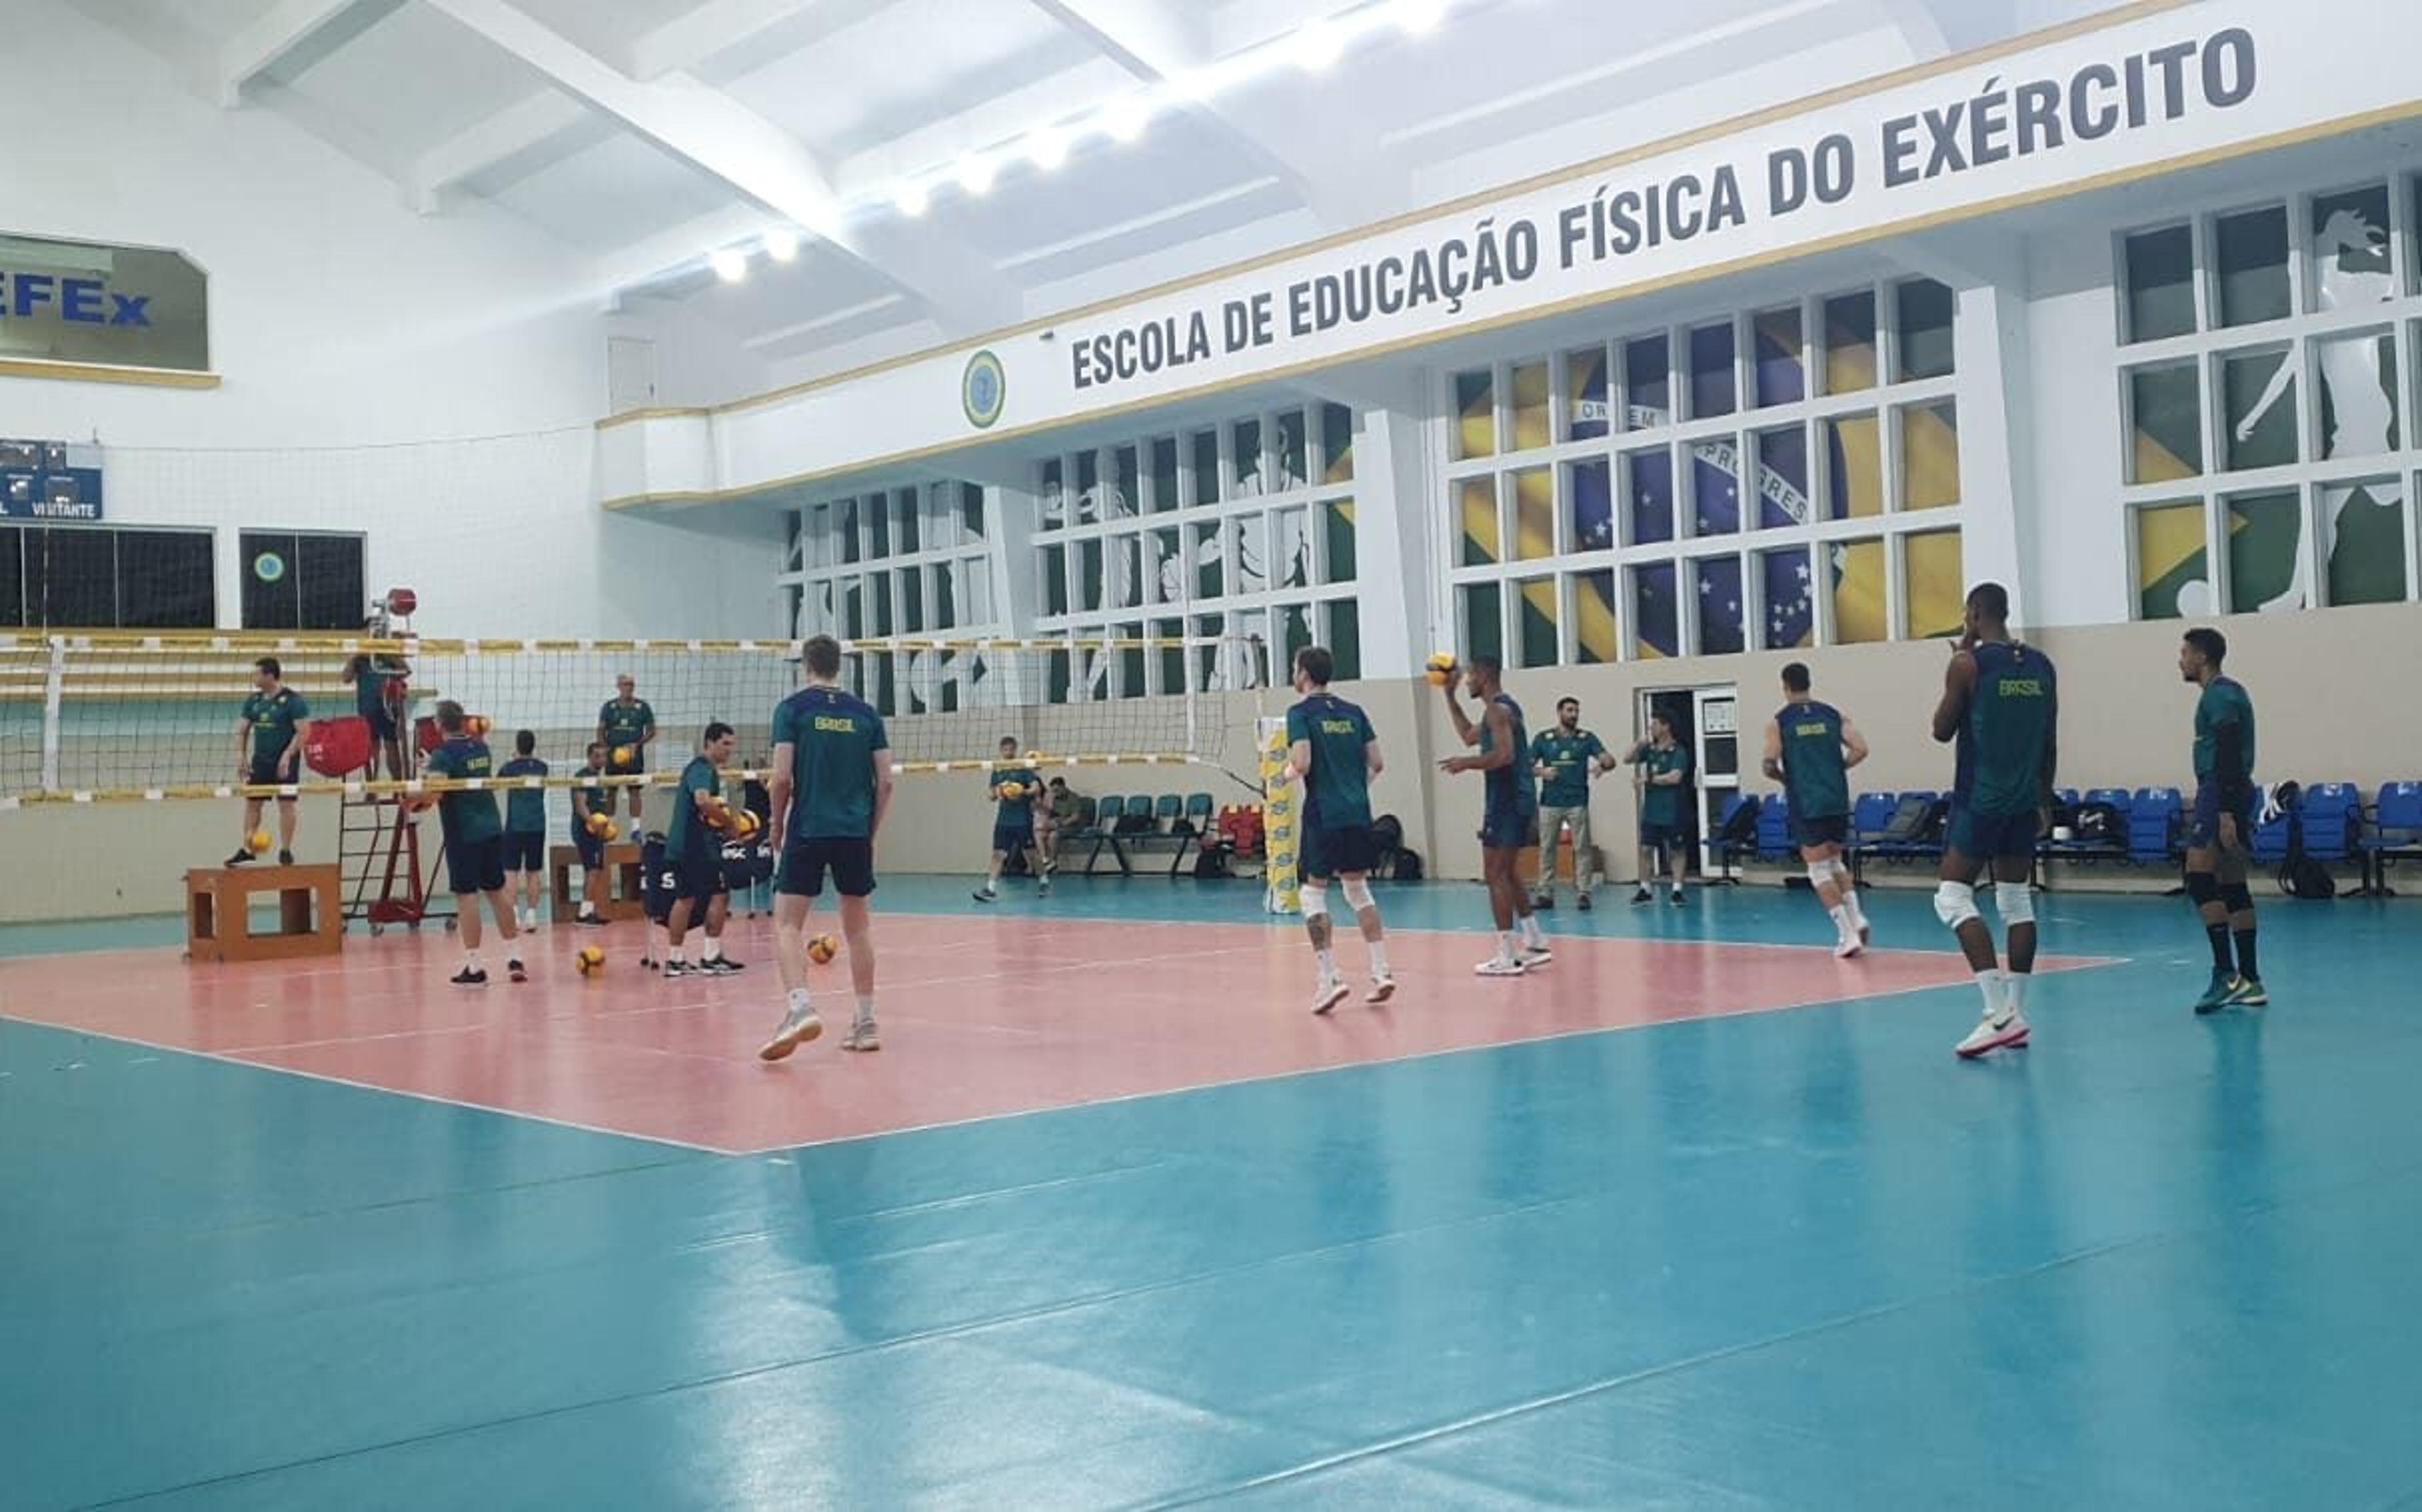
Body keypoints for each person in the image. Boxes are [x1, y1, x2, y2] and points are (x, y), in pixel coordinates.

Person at [1931, 582, 2058, 1059]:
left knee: (1952, 897)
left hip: (1979, 800)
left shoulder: (1968, 664)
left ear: (1973, 612)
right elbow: (2050, 739)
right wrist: (2045, 799)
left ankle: (1997, 1011)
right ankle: (2017, 1017)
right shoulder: (2042, 665)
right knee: (2015, 901)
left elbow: (1941, 730)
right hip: (2026, 800)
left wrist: (1958, 658)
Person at [761, 634, 894, 1059]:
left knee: (787, 925)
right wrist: (869, 833)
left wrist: (776, 825)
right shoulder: (866, 714)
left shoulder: (793, 710)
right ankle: (867, 1021)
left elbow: (781, 777)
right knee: (858, 929)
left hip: (809, 827)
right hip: (854, 831)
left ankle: (800, 1008)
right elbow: (887, 782)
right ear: (841, 666)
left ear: (806, 665)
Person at [1286, 644, 1395, 1013]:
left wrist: (1283, 775)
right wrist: (1353, 789)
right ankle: (1381, 972)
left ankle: (1329, 978)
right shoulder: (1354, 712)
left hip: (1323, 814)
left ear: (1303, 673)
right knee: (1357, 889)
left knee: (1312, 894)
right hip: (1358, 814)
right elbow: (1378, 763)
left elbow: (1301, 762)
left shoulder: (1300, 713)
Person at [1438, 654, 1550, 975]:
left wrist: (1465, 764)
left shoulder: (1497, 711)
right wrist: (1449, 695)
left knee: (1495, 874)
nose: (1468, 680)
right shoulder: (1504, 708)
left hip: (1508, 800)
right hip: (1516, 799)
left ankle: (1506, 955)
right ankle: (1534, 938)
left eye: (1471, 675)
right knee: (1507, 870)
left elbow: (1504, 756)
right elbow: (1469, 736)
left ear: (1484, 675)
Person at [2180, 627, 2266, 1013]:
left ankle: (2225, 974)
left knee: (2199, 878)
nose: (2180, 661)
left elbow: (2228, 748)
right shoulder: (2229, 693)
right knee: (2233, 885)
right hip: (2234, 789)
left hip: (2221, 791)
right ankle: (2251, 980)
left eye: (2184, 653)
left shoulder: (2221, 696)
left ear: (2201, 658)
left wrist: (2226, 811)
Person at [1763, 662, 1872, 957]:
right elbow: (1861, 749)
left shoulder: (1780, 722)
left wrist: (1784, 778)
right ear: (1809, 683)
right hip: (1836, 797)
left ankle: (1847, 934)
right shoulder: (1833, 715)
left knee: (1818, 870)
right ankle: (1857, 916)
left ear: (1785, 686)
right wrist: (1837, 769)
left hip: (1807, 800)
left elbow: (1769, 763)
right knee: (1836, 863)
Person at [419, 701, 524, 986]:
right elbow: (461, 771)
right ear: (463, 722)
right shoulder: (481, 747)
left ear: (439, 725)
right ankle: (515, 957)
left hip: (464, 833)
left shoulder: (443, 755)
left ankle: (475, 968)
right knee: (497, 891)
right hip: (491, 827)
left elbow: (434, 795)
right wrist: (434, 768)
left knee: (467, 897)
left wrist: (422, 783)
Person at [661, 723, 743, 977]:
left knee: (687, 898)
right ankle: (710, 956)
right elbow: (702, 800)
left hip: (687, 844)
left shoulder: (703, 769)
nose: (730, 750)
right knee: (719, 894)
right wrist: (731, 824)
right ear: (710, 742)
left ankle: (677, 959)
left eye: (732, 745)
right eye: (725, 744)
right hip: (693, 846)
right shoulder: (701, 768)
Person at [1529, 697, 1613, 910]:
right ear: (1559, 712)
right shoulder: (1543, 739)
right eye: (1570, 711)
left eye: (1576, 711)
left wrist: (1604, 765)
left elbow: (1609, 759)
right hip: (1550, 802)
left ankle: (1584, 892)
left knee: (1582, 848)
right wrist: (1541, 772)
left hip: (1577, 802)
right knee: (1547, 848)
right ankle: (1545, 892)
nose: (1574, 715)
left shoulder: (1586, 738)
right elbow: (1524, 767)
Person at [228, 656, 309, 866]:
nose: (253, 678)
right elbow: (242, 731)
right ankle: (248, 849)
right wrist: (240, 756)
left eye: (257, 674)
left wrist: (288, 755)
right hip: (261, 761)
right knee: (253, 803)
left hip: (285, 762)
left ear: (270, 675)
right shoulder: (254, 701)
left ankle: (285, 851)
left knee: (287, 804)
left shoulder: (293, 700)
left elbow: (303, 733)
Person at [1622, 712, 1692, 905]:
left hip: (1673, 808)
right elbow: (1627, 759)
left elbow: (1675, 777)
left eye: (1654, 724)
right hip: (1652, 809)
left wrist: (1649, 779)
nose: (1651, 728)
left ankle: (1677, 890)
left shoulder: (1678, 751)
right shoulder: (1650, 750)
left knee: (1676, 850)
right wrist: (1639, 743)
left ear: (1666, 726)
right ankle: (1645, 889)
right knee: (1645, 849)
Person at [972, 736, 1051, 902]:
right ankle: (990, 889)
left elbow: (1036, 788)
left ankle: (1044, 881)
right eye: (1005, 749)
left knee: (1031, 854)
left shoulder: (1023, 767)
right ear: (1001, 751)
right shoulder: (998, 770)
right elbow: (991, 794)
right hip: (1003, 821)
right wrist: (999, 793)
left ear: (1015, 750)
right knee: (998, 854)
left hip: (1022, 820)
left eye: (1011, 749)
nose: (1008, 752)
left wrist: (1022, 791)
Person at [498, 730, 549, 932]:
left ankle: (515, 917)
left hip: (515, 826)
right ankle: (533, 917)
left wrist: (512, 760)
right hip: (537, 826)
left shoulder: (510, 768)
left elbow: (496, 782)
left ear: (517, 746)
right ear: (533, 746)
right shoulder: (542, 767)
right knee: (533, 872)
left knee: (511, 872)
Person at [596, 674, 656, 822]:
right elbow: (600, 731)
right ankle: (608, 826)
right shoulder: (609, 707)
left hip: (634, 756)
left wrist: (638, 744)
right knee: (611, 790)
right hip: (613, 756)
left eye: (631, 684)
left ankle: (635, 829)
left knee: (634, 791)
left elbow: (651, 731)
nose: (628, 687)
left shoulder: (643, 707)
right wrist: (606, 749)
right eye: (625, 684)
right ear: (618, 686)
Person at [341, 651, 407, 781]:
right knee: (371, 747)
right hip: (367, 707)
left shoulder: (389, 654)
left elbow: (405, 672)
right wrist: (353, 658)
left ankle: (398, 786)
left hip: (387, 707)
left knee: (391, 745)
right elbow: (346, 679)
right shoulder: (360, 659)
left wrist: (391, 655)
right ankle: (372, 785)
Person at [569, 741, 612, 926]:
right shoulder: (582, 776)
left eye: (603, 755)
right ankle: (584, 914)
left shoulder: (600, 779)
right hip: (585, 829)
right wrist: (594, 823)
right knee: (593, 870)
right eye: (597, 756)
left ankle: (587, 911)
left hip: (597, 830)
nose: (601, 759)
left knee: (593, 870)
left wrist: (606, 827)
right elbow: (581, 806)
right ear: (589, 756)